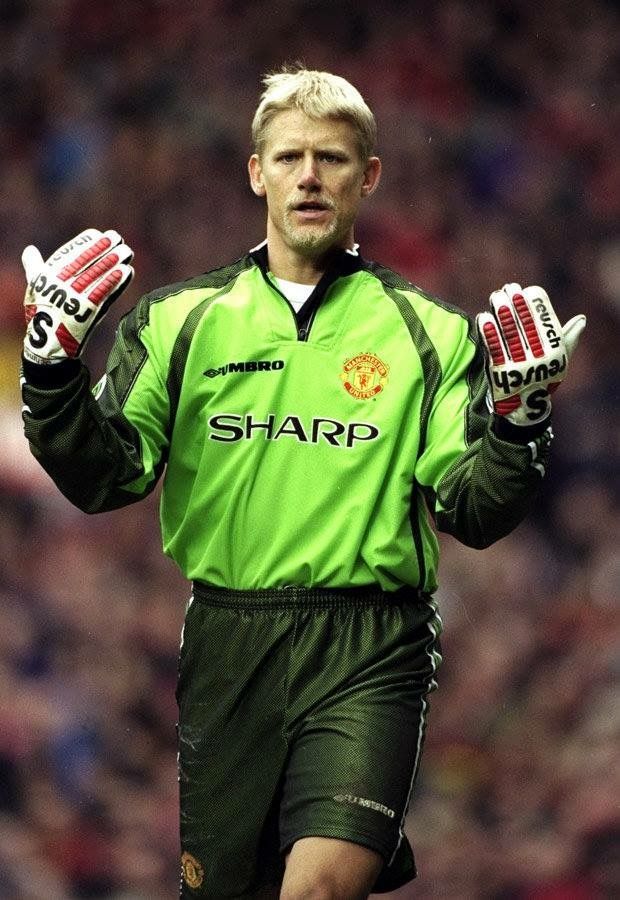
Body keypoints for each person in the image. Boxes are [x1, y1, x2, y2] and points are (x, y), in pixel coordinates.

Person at [20, 67, 585, 899]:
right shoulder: (180, 322)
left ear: (370, 176)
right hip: (227, 640)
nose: (310, 175)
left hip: (372, 644)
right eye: (289, 157)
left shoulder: (428, 333)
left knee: (318, 888)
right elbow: (108, 476)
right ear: (257, 172)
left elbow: (474, 507)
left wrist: (521, 420)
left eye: (332, 157)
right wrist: (51, 370)